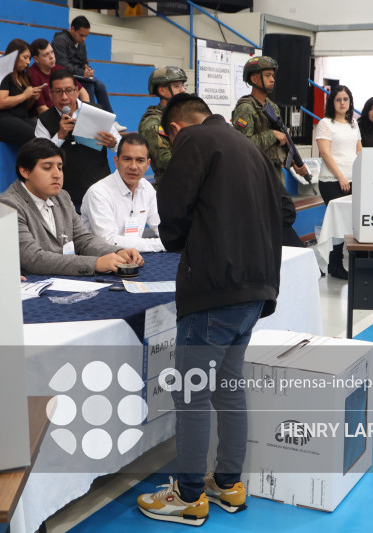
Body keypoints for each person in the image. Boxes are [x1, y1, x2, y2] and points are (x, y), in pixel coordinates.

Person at [137, 93, 289, 525]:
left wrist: (187, 241)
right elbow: (285, 211)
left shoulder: (193, 141)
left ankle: (187, 496)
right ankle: (228, 485)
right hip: (255, 289)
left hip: (214, 289)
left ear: (175, 130)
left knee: (191, 394)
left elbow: (173, 210)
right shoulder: (252, 148)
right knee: (227, 388)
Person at [0, 138, 142, 276]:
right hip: (31, 287)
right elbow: (33, 259)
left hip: (65, 279)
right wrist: (95, 264)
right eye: (47, 168)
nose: (57, 175)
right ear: (25, 171)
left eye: (60, 168)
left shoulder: (62, 196)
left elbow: (83, 240)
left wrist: (117, 252)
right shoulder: (10, 205)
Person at [35, 69, 121, 207]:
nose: (64, 97)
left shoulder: (96, 112)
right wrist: (60, 136)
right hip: (64, 195)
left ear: (77, 91)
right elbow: (39, 155)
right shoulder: (44, 120)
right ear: (51, 94)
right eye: (58, 92)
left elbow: (121, 146)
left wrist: (113, 143)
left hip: (99, 189)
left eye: (69, 90)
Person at [80, 134, 164, 252]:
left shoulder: (147, 188)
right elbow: (108, 241)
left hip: (136, 258)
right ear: (116, 161)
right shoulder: (98, 193)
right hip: (101, 262)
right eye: (127, 159)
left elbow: (161, 226)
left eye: (140, 160)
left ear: (147, 164)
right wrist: (159, 244)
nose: (133, 166)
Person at [231, 56, 308, 181]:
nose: (272, 80)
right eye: (267, 75)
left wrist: (294, 162)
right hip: (255, 173)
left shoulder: (272, 106)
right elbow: (242, 145)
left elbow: (282, 140)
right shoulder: (245, 108)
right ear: (254, 79)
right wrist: (272, 135)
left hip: (274, 172)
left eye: (272, 75)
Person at [315, 85, 361, 279]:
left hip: (353, 179)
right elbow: (325, 153)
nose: (342, 103)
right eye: (338, 99)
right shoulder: (326, 123)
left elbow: (359, 151)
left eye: (345, 99)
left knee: (350, 222)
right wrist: (341, 176)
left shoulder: (353, 124)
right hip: (332, 180)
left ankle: (342, 262)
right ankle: (334, 264)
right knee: (338, 222)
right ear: (332, 102)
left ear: (350, 102)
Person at [51, 16, 116, 116]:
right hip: (66, 76)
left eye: (86, 36)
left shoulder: (82, 43)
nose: (83, 38)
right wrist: (82, 73)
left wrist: (87, 70)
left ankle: (109, 117)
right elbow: (61, 64)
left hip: (79, 75)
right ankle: (90, 116)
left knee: (100, 86)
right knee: (88, 85)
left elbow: (84, 62)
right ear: (72, 29)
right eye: (81, 35)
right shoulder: (60, 40)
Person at [0, 39, 41, 147]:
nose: (28, 62)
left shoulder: (21, 75)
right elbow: (0, 103)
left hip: (19, 117)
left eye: (29, 58)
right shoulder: (0, 71)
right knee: (36, 138)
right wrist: (24, 95)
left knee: (46, 136)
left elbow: (23, 108)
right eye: (25, 57)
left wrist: (31, 99)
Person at [138, 65, 187, 186]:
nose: (183, 90)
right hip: (170, 188)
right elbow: (165, 161)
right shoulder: (153, 123)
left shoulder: (182, 115)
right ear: (161, 90)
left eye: (183, 85)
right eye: (177, 86)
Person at [27, 38, 88, 116]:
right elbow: (42, 109)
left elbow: (83, 92)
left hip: (66, 113)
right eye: (46, 55)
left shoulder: (59, 68)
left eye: (52, 52)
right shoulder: (32, 74)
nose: (51, 57)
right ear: (36, 59)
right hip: (47, 118)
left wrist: (84, 113)